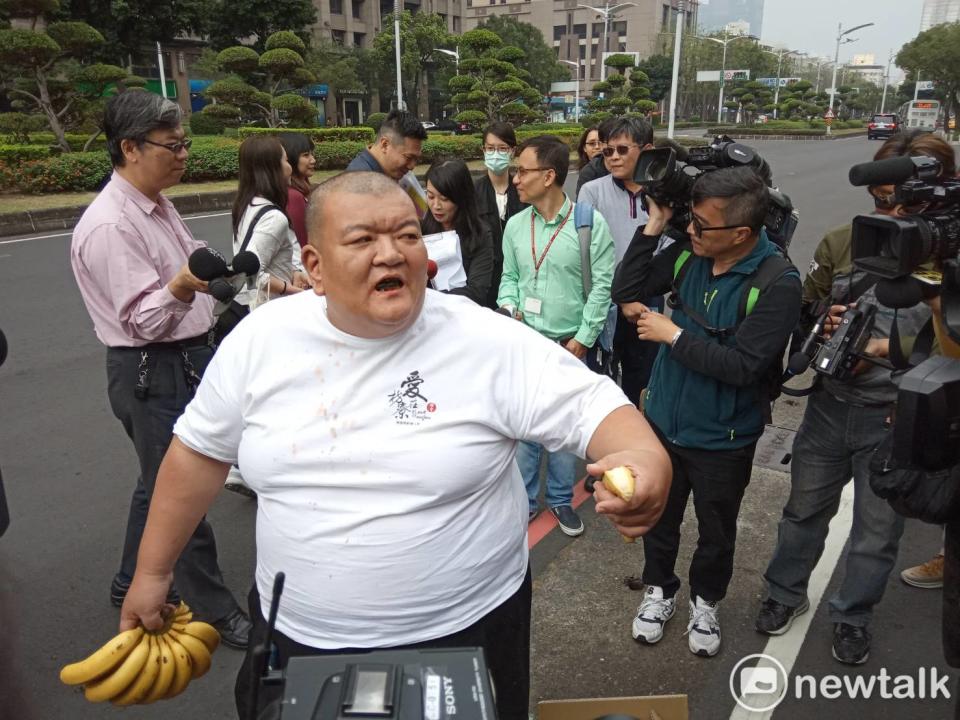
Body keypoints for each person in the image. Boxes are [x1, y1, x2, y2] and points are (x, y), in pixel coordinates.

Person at [116, 170, 673, 720]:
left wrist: (647, 462)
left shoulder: (483, 338)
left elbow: (601, 410)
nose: (392, 254)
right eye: (363, 240)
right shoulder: (261, 340)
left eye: (407, 235)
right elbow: (197, 454)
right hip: (302, 637)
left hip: (467, 631)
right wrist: (152, 573)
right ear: (314, 266)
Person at [756, 130, 953, 665]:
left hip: (898, 420)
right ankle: (783, 593)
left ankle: (853, 616)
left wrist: (891, 347)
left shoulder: (950, 257)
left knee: (875, 534)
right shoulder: (844, 241)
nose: (888, 207)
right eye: (880, 194)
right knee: (802, 513)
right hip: (829, 406)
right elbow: (808, 307)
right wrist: (827, 325)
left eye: (902, 196)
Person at [69, 91, 251, 648]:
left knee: (158, 481)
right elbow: (143, 320)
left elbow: (192, 257)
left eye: (184, 144)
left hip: (187, 357)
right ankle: (216, 609)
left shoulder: (157, 203)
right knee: (184, 488)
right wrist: (179, 286)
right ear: (129, 148)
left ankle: (131, 577)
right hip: (152, 367)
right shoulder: (110, 226)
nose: (183, 155)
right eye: (172, 146)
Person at [612, 166, 802, 657]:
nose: (689, 229)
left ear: (741, 233)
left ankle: (705, 601)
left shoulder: (776, 282)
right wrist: (652, 227)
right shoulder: (688, 255)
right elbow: (626, 290)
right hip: (664, 426)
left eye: (700, 224)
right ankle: (659, 591)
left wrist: (671, 335)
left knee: (717, 531)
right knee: (660, 517)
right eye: (689, 220)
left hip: (725, 436)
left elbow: (743, 366)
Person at [498, 135, 616, 536]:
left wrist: (583, 338)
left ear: (549, 176)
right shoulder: (516, 225)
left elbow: (602, 287)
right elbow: (509, 278)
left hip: (569, 343)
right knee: (527, 427)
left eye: (522, 171)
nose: (515, 178)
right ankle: (528, 500)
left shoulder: (587, 223)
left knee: (564, 430)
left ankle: (561, 500)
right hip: (526, 340)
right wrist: (509, 308)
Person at [579, 117, 658, 401]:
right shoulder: (592, 191)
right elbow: (587, 254)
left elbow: (669, 249)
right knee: (602, 380)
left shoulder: (662, 192)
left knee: (644, 378)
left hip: (648, 301)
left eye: (622, 150)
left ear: (647, 149)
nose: (613, 157)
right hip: (605, 302)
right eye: (608, 151)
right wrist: (619, 297)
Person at [231, 135, 309, 307]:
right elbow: (252, 273)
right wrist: (293, 291)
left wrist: (294, 271)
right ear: (273, 169)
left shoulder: (248, 205)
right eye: (286, 161)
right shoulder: (273, 217)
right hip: (273, 307)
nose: (290, 168)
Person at [422, 159, 495, 306]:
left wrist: (430, 298)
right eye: (430, 196)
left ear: (462, 198)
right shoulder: (419, 229)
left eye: (444, 199)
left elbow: (477, 292)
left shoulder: (480, 234)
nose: (436, 205)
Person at [474, 122, 527, 307]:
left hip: (521, 280)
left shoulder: (524, 191)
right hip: (484, 283)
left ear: (512, 151)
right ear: (483, 150)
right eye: (490, 148)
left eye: (502, 148)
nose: (495, 154)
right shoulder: (473, 193)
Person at [345, 109, 427, 181]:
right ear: (385, 145)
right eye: (408, 157)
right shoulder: (361, 182)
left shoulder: (384, 174)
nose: (412, 166)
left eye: (416, 159)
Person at [279, 132, 316, 248]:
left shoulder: (300, 190)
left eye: (312, 154)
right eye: (306, 155)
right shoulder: (293, 196)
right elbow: (304, 242)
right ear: (290, 160)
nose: (313, 160)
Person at [575, 117, 617, 197]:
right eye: (592, 143)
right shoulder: (588, 174)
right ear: (584, 148)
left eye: (600, 142)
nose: (597, 147)